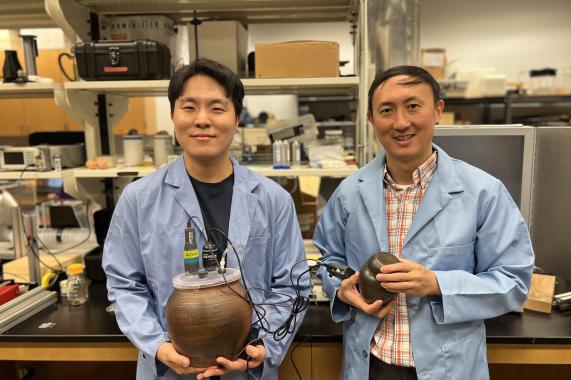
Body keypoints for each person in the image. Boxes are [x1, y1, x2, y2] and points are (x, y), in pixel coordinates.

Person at [314, 66, 534, 380]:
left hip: (449, 366)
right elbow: (328, 260)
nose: (401, 122)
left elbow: (514, 280)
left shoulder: (483, 192)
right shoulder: (350, 191)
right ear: (372, 120)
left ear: (438, 111)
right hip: (371, 363)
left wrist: (437, 284)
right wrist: (341, 290)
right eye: (387, 110)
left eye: (413, 106)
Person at [103, 58, 310, 380]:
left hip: (246, 370)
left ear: (236, 119)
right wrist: (158, 345)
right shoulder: (139, 198)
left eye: (216, 108)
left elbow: (291, 285)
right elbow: (125, 285)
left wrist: (265, 345)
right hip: (170, 370)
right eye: (189, 107)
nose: (202, 120)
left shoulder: (273, 200)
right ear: (173, 115)